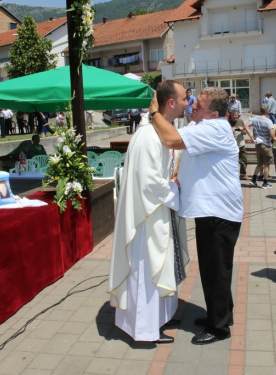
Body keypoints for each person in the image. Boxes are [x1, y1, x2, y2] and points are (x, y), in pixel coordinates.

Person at [150, 85, 243, 345]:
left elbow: (171, 139)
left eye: (198, 105)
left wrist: (154, 114)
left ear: (213, 113)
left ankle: (219, 327)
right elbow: (182, 146)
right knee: (214, 267)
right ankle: (222, 314)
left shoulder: (215, 128)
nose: (192, 106)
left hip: (218, 212)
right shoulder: (202, 125)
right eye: (192, 101)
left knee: (216, 270)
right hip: (212, 210)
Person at [108, 80, 189, 344]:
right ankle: (145, 329)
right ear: (171, 103)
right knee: (147, 270)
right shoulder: (147, 136)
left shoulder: (160, 130)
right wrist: (175, 186)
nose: (188, 103)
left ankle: (160, 317)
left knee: (160, 267)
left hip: (156, 213)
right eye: (185, 99)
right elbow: (150, 184)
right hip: (145, 219)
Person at [250, 105, 275, 189]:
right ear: (267, 111)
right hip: (266, 144)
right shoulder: (268, 121)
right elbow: (272, 134)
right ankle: (265, 182)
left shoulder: (255, 119)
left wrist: (251, 136)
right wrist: (270, 138)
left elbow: (246, 125)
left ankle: (253, 179)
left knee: (260, 163)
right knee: (266, 165)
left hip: (258, 143)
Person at [229, 109, 252, 180]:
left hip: (241, 144)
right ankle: (232, 175)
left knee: (244, 160)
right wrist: (231, 130)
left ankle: (243, 174)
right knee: (232, 161)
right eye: (233, 116)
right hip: (232, 145)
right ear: (231, 116)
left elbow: (245, 132)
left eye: (236, 115)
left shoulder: (240, 121)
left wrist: (242, 130)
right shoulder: (228, 123)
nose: (235, 117)